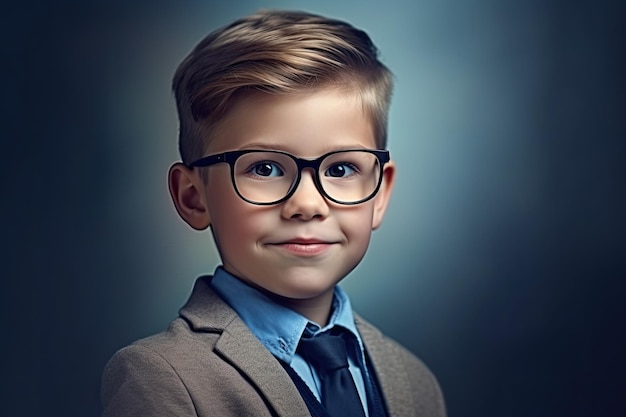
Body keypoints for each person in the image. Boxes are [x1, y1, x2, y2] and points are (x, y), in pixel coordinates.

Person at [101, 9, 446, 417]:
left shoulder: (413, 381)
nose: (306, 204)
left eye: (340, 169)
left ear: (380, 194)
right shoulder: (161, 378)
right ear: (194, 197)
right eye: (264, 168)